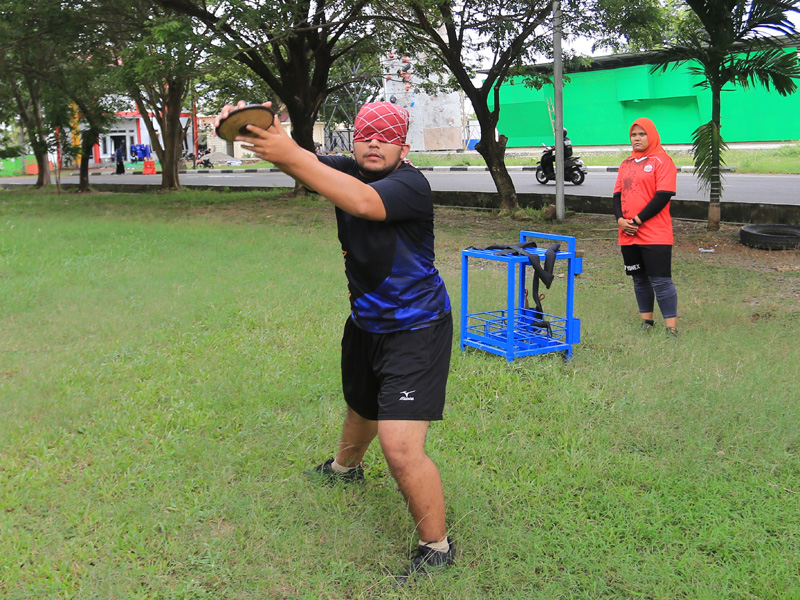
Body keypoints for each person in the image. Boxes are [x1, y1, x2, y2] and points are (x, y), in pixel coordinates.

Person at [215, 101, 455, 584]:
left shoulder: (411, 186)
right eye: (366, 133)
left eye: (385, 136)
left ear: (402, 148)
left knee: (401, 447)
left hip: (416, 329)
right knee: (362, 403)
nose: (373, 142)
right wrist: (265, 130)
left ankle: (438, 548)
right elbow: (299, 161)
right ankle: (345, 469)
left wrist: (290, 152)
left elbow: (361, 202)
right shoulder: (346, 167)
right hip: (366, 320)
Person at [613, 117, 679, 336]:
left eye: (642, 134)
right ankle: (647, 323)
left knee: (660, 281)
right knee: (639, 279)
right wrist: (621, 221)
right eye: (634, 134)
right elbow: (617, 195)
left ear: (651, 135)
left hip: (655, 234)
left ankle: (671, 328)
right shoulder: (626, 164)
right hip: (628, 234)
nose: (637, 138)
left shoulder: (662, 161)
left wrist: (637, 221)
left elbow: (664, 196)